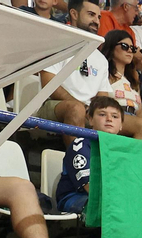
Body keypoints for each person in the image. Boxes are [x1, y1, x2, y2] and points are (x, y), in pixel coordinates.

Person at [36, 0, 107, 139]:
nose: (96, 21)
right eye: (91, 15)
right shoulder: (57, 44)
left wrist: (97, 111)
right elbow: (49, 85)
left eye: (99, 17)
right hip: (55, 105)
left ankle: (105, 161)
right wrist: (82, 106)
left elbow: (103, 97)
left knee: (141, 126)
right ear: (74, 14)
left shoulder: (101, 59)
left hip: (89, 110)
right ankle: (77, 159)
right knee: (76, 109)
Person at [56, 96, 127, 214]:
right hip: (75, 197)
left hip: (111, 198)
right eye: (102, 114)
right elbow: (90, 187)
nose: (109, 119)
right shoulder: (80, 145)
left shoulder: (124, 149)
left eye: (115, 116)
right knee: (116, 208)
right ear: (90, 120)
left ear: (121, 125)